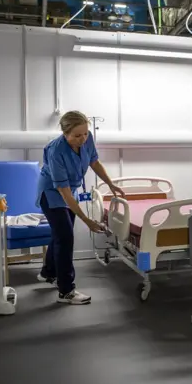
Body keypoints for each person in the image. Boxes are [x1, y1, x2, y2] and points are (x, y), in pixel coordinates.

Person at [36, 111, 125, 305]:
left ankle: (47, 272)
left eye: (85, 133)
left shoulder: (86, 137)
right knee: (66, 237)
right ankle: (66, 291)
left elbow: (94, 161)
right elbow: (63, 192)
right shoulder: (56, 150)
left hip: (70, 190)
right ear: (65, 133)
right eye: (77, 135)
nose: (82, 138)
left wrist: (110, 184)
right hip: (52, 193)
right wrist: (87, 221)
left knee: (60, 235)